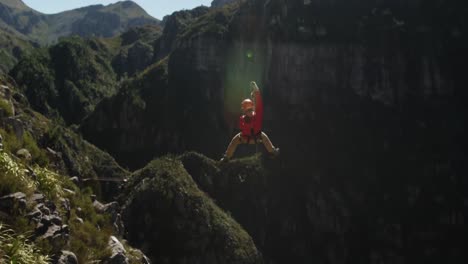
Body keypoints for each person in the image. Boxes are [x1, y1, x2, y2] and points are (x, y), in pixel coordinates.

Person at [220, 81, 279, 162]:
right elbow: (258, 106)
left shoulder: (242, 119)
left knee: (234, 140)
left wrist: (254, 97)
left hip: (245, 139)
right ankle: (273, 151)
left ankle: (226, 157)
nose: (250, 111)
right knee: (264, 137)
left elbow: (253, 111)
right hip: (257, 138)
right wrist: (256, 92)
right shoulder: (256, 117)